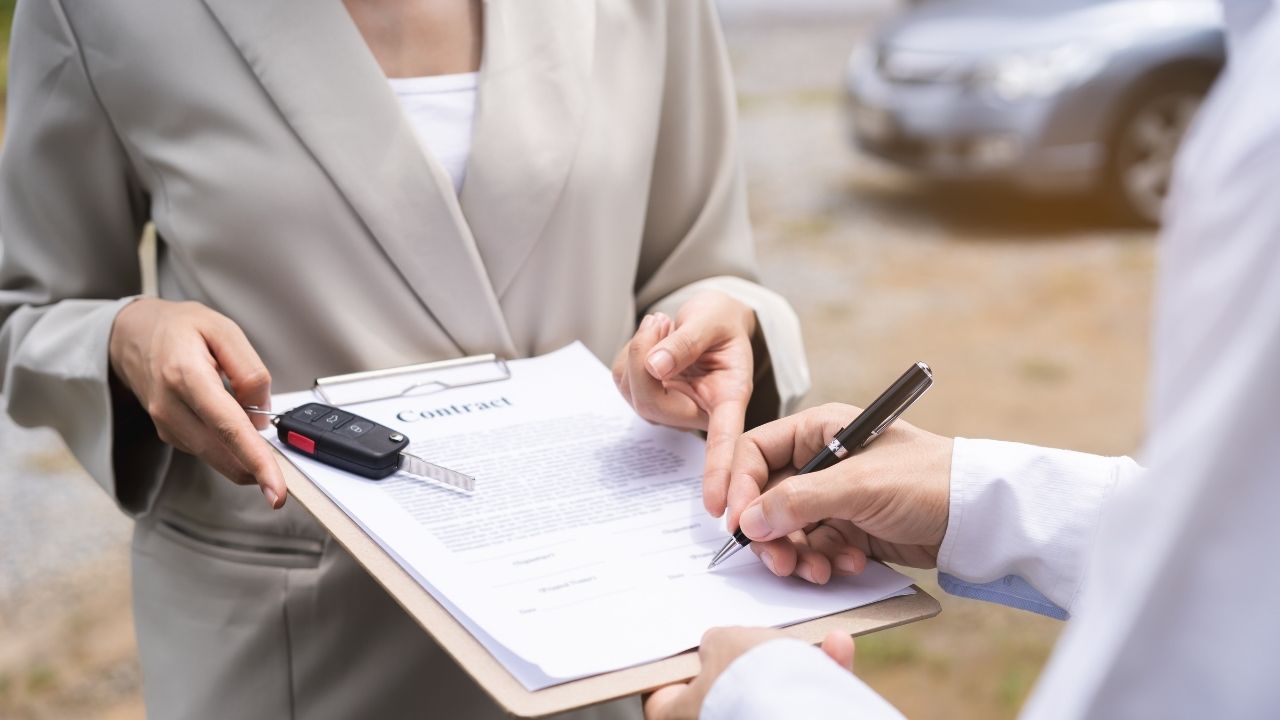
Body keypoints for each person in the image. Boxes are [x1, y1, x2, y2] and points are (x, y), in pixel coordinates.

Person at [0, 1, 808, 717]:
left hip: (601, 626)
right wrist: (130, 337)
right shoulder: (97, 10)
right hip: (294, 640)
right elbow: (26, 311)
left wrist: (716, 329)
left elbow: (703, 268)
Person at [645, 3, 1280, 719]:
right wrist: (966, 497)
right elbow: (1251, 557)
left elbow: (1201, 663)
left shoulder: (1264, 136)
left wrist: (757, 701)